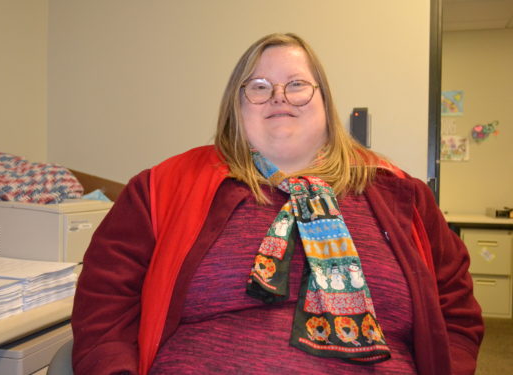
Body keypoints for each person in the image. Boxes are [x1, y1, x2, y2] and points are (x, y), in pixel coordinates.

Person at [71, 33, 483, 375]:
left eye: (297, 85)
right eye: (259, 87)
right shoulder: (159, 188)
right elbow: (104, 306)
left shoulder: (401, 194)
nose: (279, 97)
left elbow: (456, 310)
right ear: (237, 105)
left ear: (325, 101)